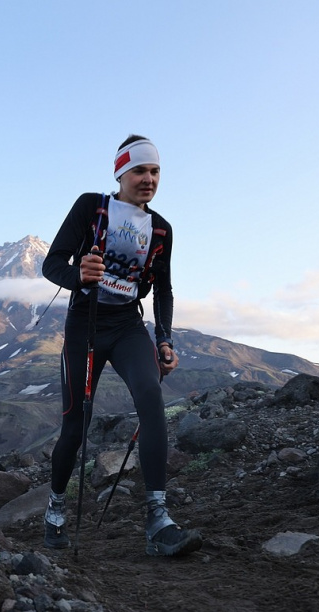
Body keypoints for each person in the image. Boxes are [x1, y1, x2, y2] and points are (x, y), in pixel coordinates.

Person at [41, 135, 203, 556]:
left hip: (128, 326)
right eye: (140, 171)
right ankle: (55, 508)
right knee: (75, 423)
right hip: (85, 325)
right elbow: (52, 262)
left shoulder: (162, 228)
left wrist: (164, 340)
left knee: (151, 399)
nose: (149, 179)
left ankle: (158, 519)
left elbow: (163, 291)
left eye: (155, 172)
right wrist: (79, 275)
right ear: (121, 173)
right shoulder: (91, 207)